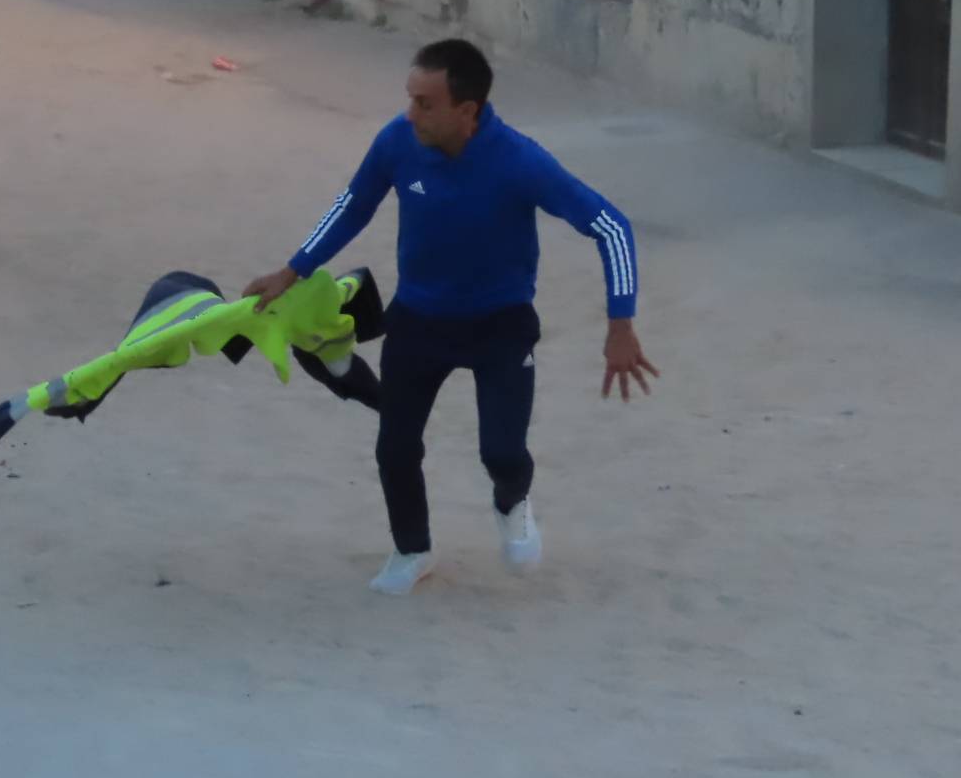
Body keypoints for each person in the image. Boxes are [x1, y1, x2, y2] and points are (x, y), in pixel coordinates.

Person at [241, 38, 657, 597]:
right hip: (418, 319)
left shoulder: (519, 161)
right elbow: (353, 204)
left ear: (468, 111)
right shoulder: (397, 142)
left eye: (425, 103)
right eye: (410, 98)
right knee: (396, 445)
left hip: (500, 324)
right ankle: (413, 551)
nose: (410, 113)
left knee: (502, 452)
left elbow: (611, 226)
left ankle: (512, 503)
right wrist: (291, 271)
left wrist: (620, 325)